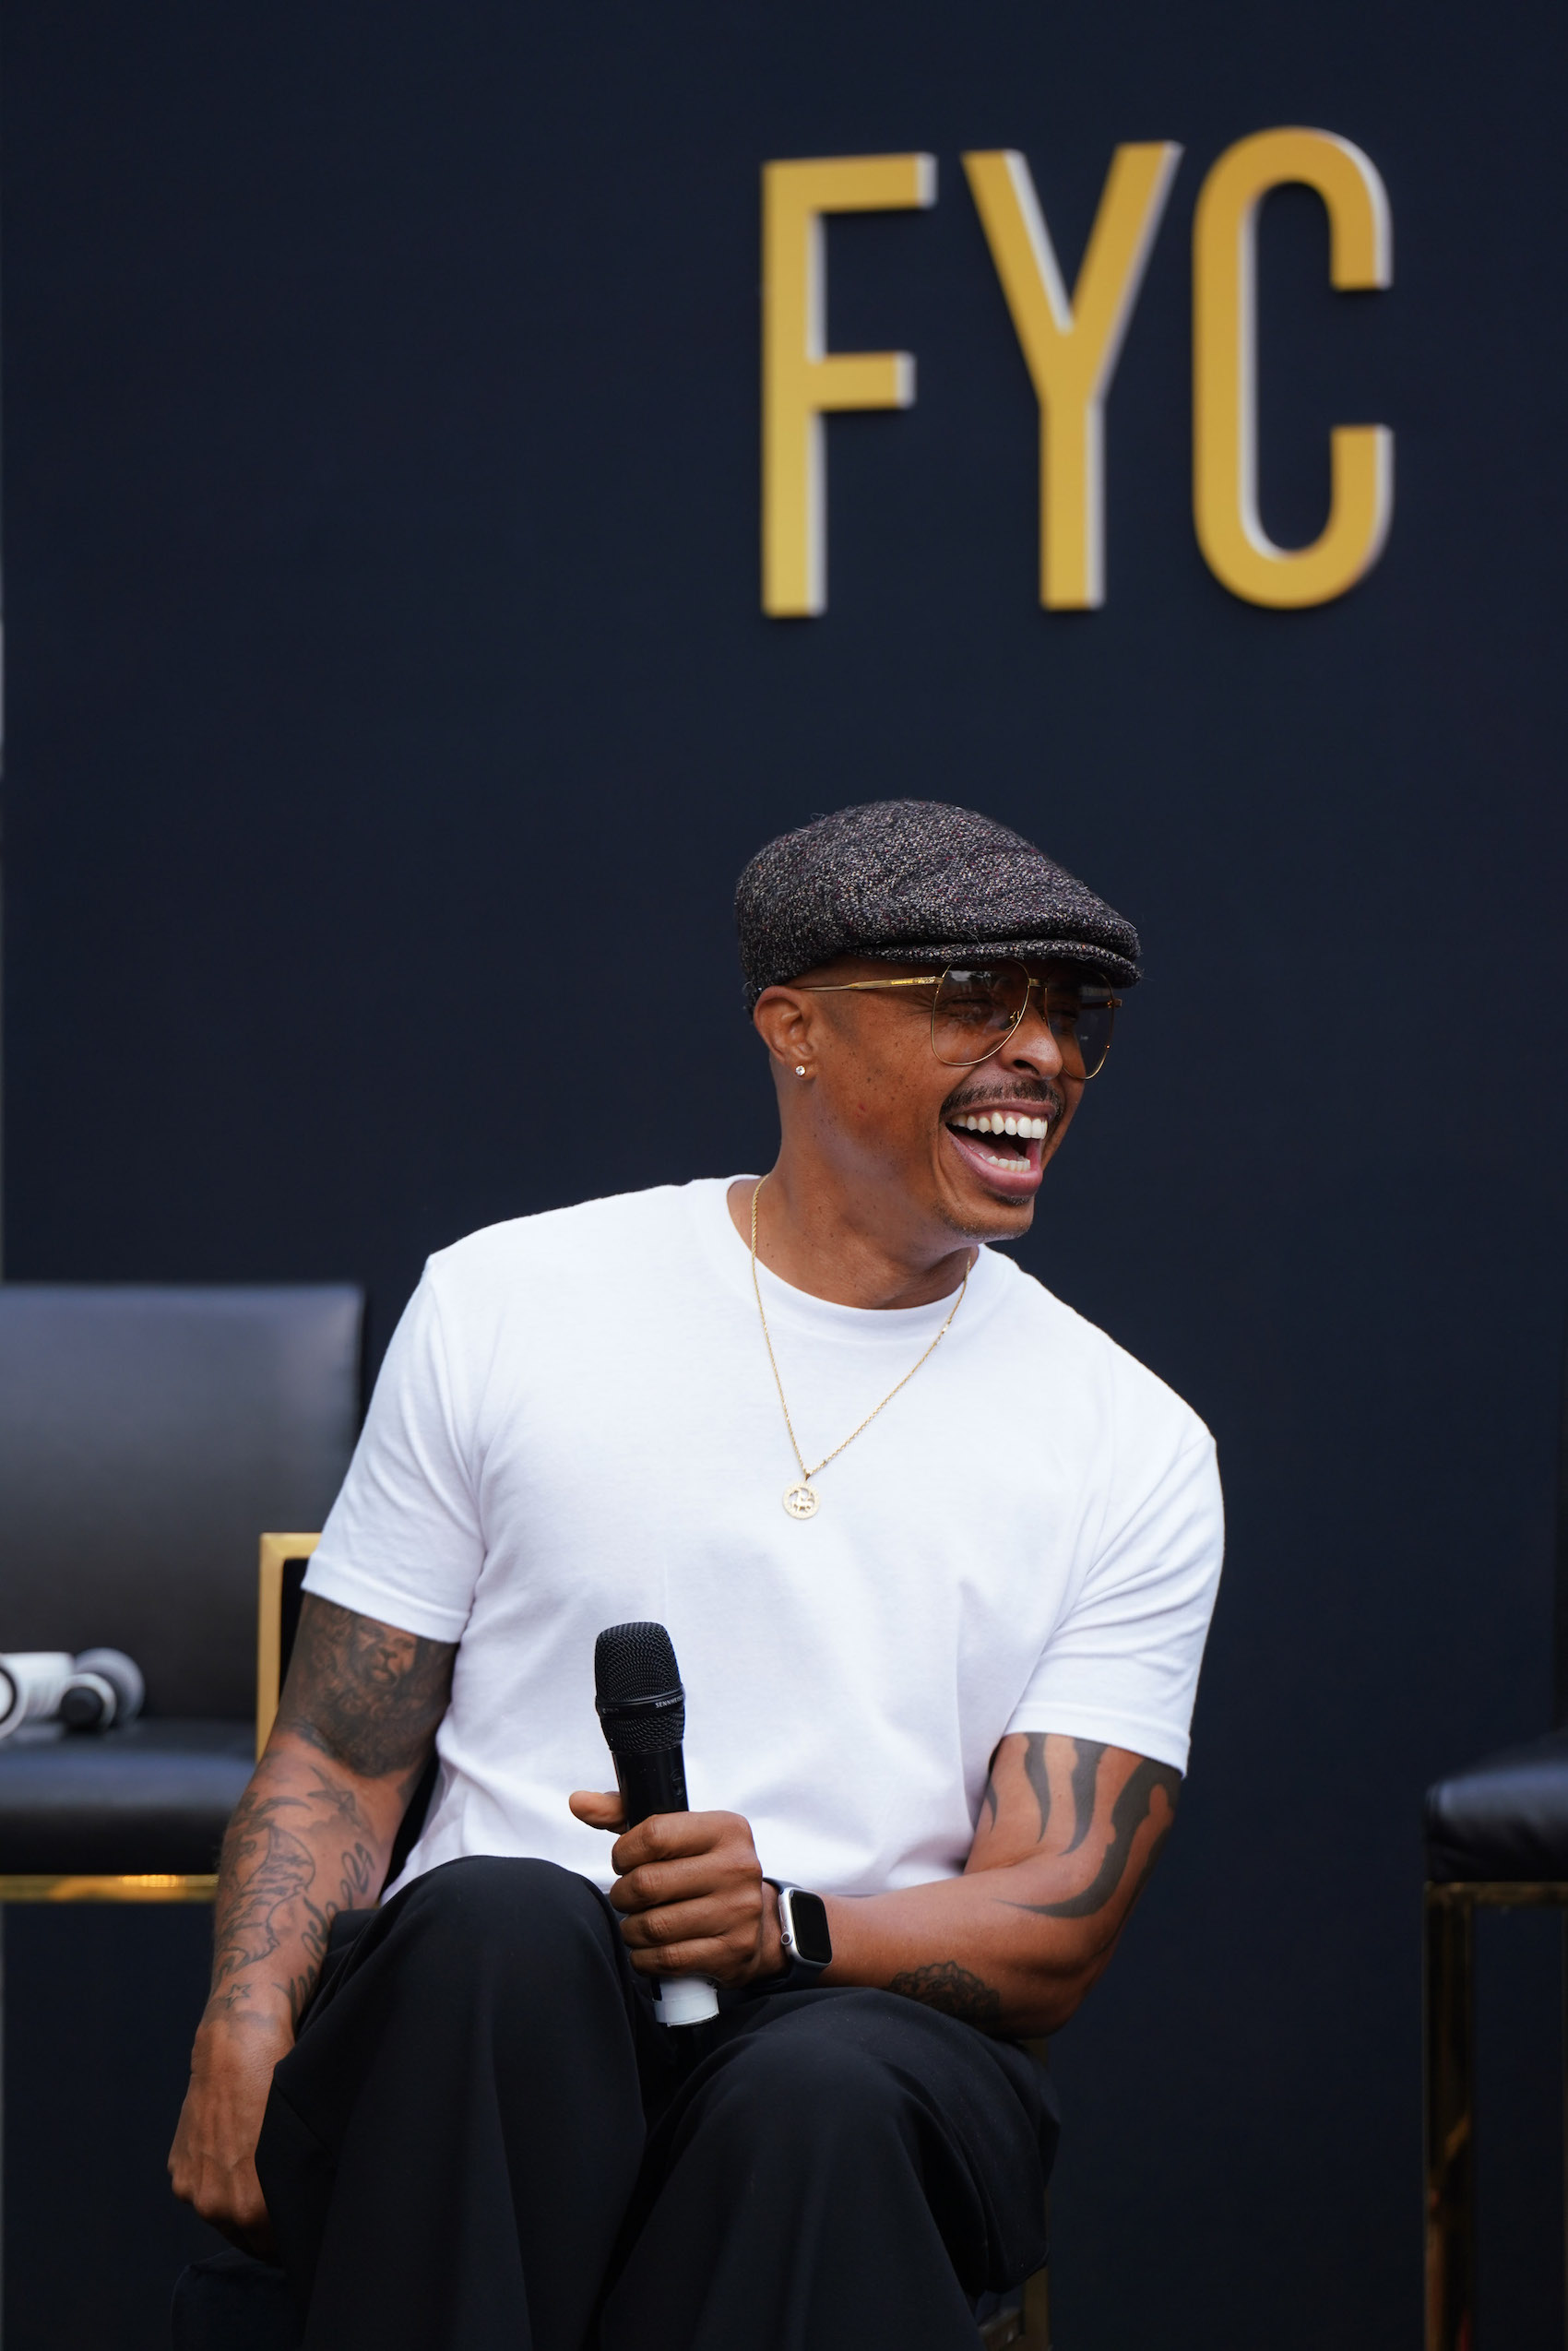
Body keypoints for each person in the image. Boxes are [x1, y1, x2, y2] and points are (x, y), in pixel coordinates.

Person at [169, 797, 1224, 2351]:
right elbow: (337, 1746)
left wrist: (785, 1925)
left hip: (858, 2022)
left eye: (1071, 1015)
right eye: (974, 999)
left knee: (813, 2099)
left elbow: (1055, 1910)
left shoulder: (1130, 1439)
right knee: (499, 1933)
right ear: (794, 1027)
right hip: (488, 2024)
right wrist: (245, 2015)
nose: (1044, 1054)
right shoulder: (511, 1300)